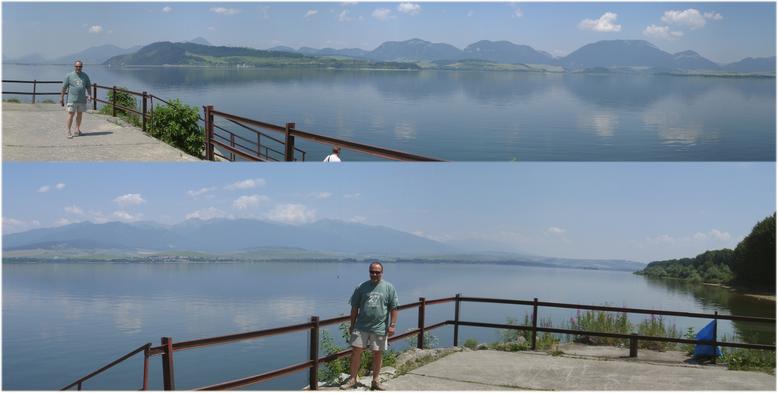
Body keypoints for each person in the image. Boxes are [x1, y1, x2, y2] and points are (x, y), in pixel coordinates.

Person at [341, 261, 398, 391]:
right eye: (372, 271)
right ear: (369, 272)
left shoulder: (389, 288)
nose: (374, 274)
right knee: (356, 352)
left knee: (378, 353)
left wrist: (392, 325)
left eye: (377, 272)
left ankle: (376, 380)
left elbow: (394, 308)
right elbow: (354, 307)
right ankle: (352, 379)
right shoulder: (361, 287)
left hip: (379, 327)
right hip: (361, 327)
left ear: (382, 273)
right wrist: (352, 324)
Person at [60, 60, 92, 139]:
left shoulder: (85, 76)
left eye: (80, 66)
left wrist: (89, 95)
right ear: (74, 67)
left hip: (81, 99)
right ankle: (68, 131)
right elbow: (64, 87)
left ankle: (77, 129)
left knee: (80, 114)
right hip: (72, 99)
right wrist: (62, 98)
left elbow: (88, 86)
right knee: (71, 115)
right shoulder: (69, 75)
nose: (78, 68)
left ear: (82, 67)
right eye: (77, 66)